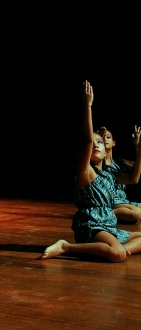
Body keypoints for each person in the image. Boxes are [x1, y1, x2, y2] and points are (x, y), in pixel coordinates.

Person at [40, 80, 141, 262]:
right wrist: (88, 106)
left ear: (105, 150)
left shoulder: (109, 175)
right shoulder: (86, 172)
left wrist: (140, 149)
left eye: (100, 142)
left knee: (122, 249)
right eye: (93, 143)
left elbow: (134, 179)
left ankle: (110, 249)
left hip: (109, 225)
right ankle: (66, 247)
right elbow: (87, 140)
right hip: (92, 225)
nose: (96, 145)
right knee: (117, 254)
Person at [99, 126, 141, 223]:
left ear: (114, 143)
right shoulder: (99, 164)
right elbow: (133, 179)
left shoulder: (118, 162)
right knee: (137, 214)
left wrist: (137, 146)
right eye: (102, 137)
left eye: (108, 137)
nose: (105, 139)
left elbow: (137, 171)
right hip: (111, 201)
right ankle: (102, 213)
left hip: (124, 201)